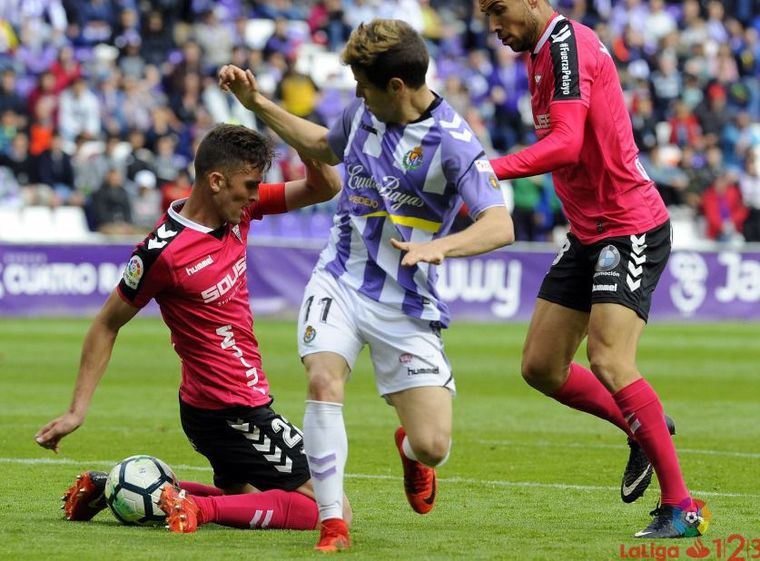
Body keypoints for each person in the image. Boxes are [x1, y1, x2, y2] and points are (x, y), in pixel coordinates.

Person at [219, 18, 514, 552]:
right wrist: (256, 102)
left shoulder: (453, 142)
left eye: (364, 82)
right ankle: (332, 521)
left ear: (396, 87)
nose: (356, 92)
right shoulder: (363, 113)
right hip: (340, 279)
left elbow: (500, 223)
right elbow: (323, 145)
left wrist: (439, 246)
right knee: (323, 381)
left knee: (433, 445)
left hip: (406, 302)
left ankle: (410, 453)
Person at [34, 124, 350, 534]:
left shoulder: (241, 209)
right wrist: (77, 410)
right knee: (328, 506)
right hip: (234, 408)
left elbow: (324, 187)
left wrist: (280, 124)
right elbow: (105, 325)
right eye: (250, 184)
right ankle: (197, 508)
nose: (256, 195)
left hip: (207, 408)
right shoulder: (160, 255)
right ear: (217, 181)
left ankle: (114, 487)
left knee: (250, 498)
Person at [479, 0, 709, 539]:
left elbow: (565, 144)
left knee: (608, 358)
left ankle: (682, 506)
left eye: (499, 10)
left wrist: (485, 171)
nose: (493, 27)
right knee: (540, 365)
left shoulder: (565, 46)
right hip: (588, 231)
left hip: (628, 225)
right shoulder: (537, 52)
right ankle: (640, 426)